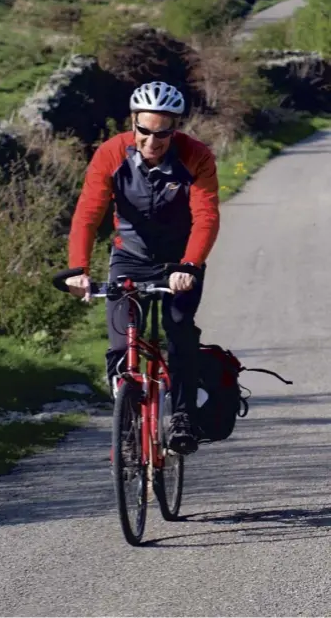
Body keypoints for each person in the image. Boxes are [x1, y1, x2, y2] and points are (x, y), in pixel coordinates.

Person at [66, 81, 220, 454]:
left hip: (179, 261)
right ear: (133, 122)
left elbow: (206, 217)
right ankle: (130, 422)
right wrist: (77, 268)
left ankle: (182, 415)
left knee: (179, 329)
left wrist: (190, 264)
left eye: (163, 133)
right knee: (122, 346)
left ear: (174, 129)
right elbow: (89, 213)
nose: (153, 142)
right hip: (129, 256)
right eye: (145, 131)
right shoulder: (111, 153)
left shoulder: (195, 155)